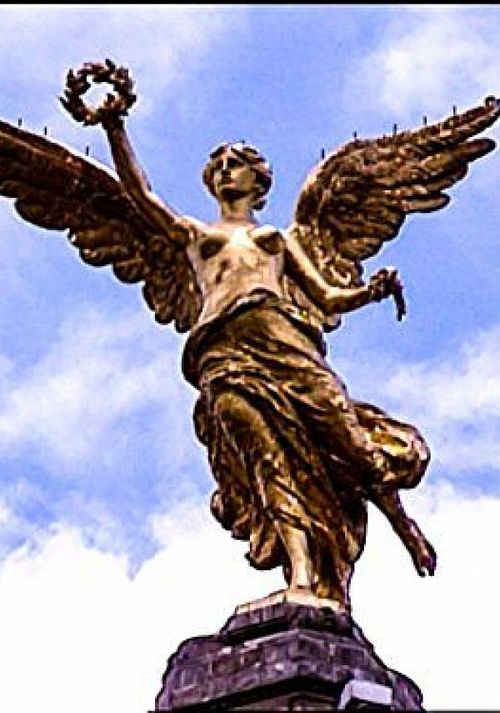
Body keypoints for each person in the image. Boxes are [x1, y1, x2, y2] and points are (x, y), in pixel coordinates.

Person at [104, 123, 436, 614]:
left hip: (287, 343)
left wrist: (371, 292)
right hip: (222, 353)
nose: (224, 172)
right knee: (268, 463)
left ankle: (404, 527)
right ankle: (301, 573)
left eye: (234, 164)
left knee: (348, 442)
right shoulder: (196, 235)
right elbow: (140, 195)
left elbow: (327, 296)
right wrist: (114, 126)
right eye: (218, 166)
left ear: (258, 180)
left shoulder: (276, 240)